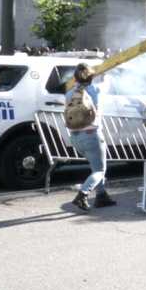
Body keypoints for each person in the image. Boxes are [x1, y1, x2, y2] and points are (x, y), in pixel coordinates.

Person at [65, 63, 116, 211]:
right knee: (100, 171)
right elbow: (108, 83)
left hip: (75, 136)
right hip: (92, 136)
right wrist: (106, 73)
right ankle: (83, 195)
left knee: (95, 167)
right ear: (91, 78)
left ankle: (101, 196)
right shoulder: (95, 89)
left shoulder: (69, 93)